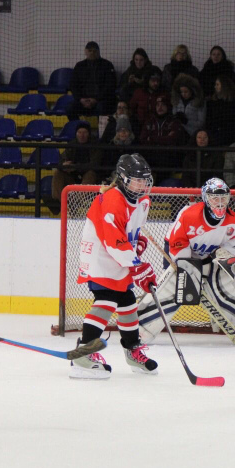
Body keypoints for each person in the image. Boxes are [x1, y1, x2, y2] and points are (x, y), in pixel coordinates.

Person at [137, 177, 235, 347]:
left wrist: (228, 265)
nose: (219, 203)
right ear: (205, 198)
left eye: (223, 198)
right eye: (214, 198)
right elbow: (177, 242)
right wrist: (188, 271)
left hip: (208, 255)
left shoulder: (234, 222)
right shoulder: (189, 215)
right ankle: (141, 329)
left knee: (227, 283)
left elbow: (231, 253)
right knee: (175, 286)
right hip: (179, 250)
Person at [71, 153, 158, 379]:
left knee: (127, 302)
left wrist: (137, 243)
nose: (141, 184)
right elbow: (113, 241)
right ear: (122, 179)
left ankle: (132, 351)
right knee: (107, 298)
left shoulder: (143, 200)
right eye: (136, 179)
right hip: (100, 254)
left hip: (118, 254)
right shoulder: (112, 200)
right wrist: (137, 266)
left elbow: (130, 233)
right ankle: (83, 354)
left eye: (144, 179)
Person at [52, 122, 102, 200]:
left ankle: (79, 201)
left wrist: (76, 167)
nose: (82, 135)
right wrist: (64, 165)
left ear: (89, 134)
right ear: (76, 134)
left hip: (88, 178)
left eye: (84, 132)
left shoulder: (95, 145)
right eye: (79, 132)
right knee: (58, 173)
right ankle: (59, 200)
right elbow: (61, 160)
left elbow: (95, 164)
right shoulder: (72, 144)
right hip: (73, 177)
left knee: (90, 174)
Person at [139, 95, 187, 177]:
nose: (160, 107)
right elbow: (143, 139)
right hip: (151, 159)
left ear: (168, 106)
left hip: (168, 160)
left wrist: (152, 138)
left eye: (163, 105)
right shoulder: (149, 121)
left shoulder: (174, 122)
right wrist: (163, 139)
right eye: (158, 105)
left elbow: (171, 140)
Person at [68, 41, 117, 118]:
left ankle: (101, 130)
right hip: (83, 101)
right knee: (70, 108)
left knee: (102, 108)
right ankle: (78, 128)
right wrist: (81, 99)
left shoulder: (107, 65)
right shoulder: (79, 66)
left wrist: (96, 99)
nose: (92, 53)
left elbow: (110, 86)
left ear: (98, 52)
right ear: (85, 51)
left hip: (101, 101)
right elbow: (73, 85)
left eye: (94, 51)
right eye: (90, 51)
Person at [205, 75, 235, 146]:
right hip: (218, 135)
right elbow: (209, 122)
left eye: (217, 84)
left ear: (224, 85)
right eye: (215, 84)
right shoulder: (212, 102)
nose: (215, 87)